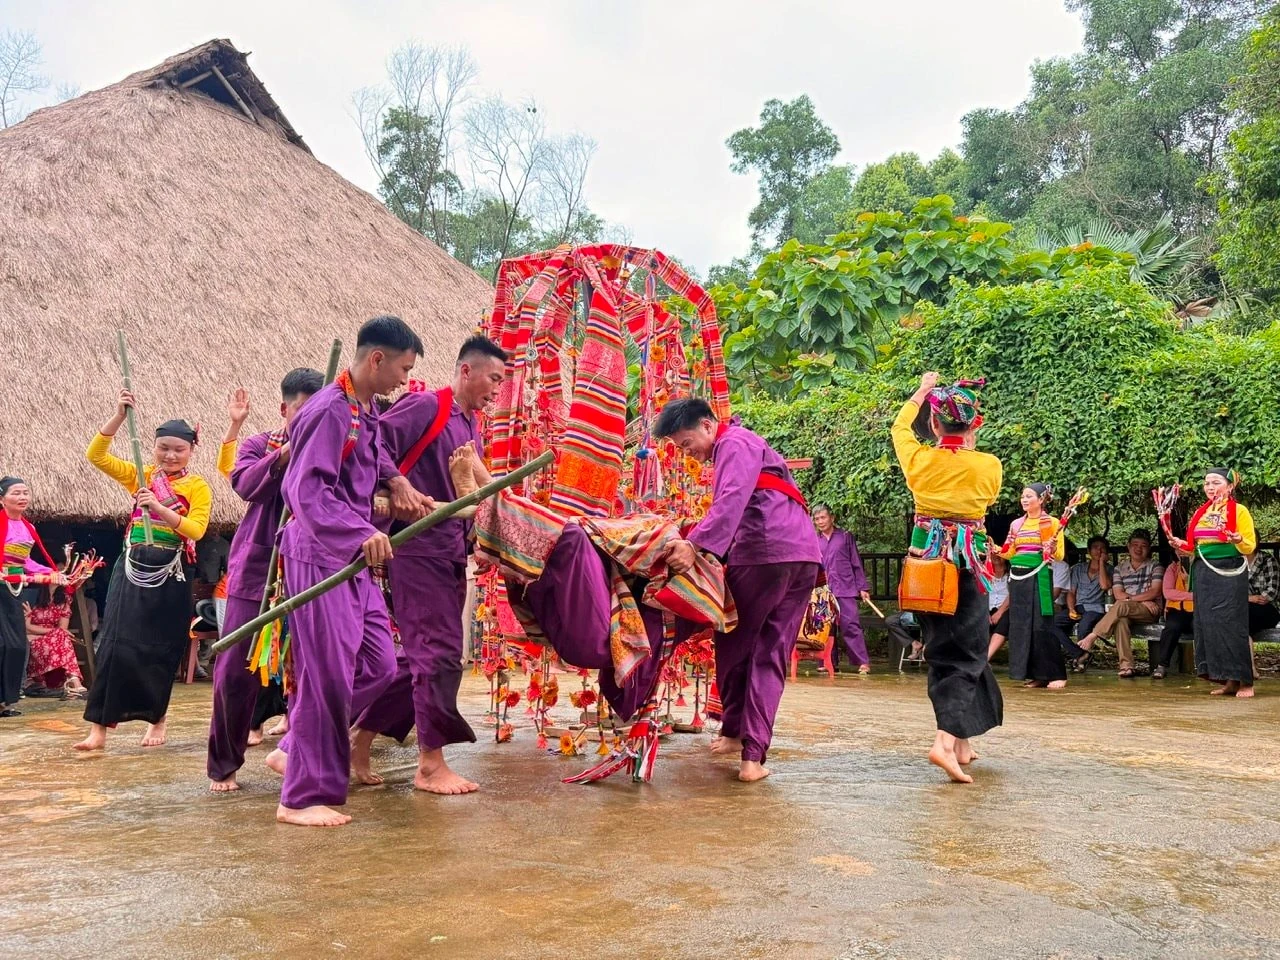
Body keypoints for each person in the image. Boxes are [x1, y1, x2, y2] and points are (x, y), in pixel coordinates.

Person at [266, 315, 430, 827]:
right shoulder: (329, 410)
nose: (405, 380)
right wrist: (360, 532)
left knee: (380, 664)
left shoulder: (365, 408)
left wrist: (397, 481)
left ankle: (296, 742)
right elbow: (304, 491)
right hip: (319, 554)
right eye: (403, 369)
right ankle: (300, 797)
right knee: (327, 677)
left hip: (352, 559)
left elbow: (373, 455)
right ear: (376, 359)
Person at [351, 334, 506, 794]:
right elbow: (370, 445)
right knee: (437, 656)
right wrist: (396, 481)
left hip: (449, 552)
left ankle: (359, 736)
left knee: (421, 658)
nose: (497, 388)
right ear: (466, 371)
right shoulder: (428, 408)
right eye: (493, 378)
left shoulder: (470, 425)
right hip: (417, 549)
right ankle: (430, 765)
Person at [654, 396, 821, 783]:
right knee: (769, 652)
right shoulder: (746, 446)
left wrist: (695, 546)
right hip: (801, 556)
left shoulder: (736, 442)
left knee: (735, 640)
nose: (688, 453)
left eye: (685, 442)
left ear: (709, 425)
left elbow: (731, 500)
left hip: (766, 552)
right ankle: (747, 752)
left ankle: (743, 744)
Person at [206, 370, 323, 793]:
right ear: (284, 409)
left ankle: (303, 756)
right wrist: (285, 457)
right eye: (301, 410)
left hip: (312, 573)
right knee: (234, 672)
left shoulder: (334, 451)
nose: (310, 419)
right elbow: (244, 484)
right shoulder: (261, 445)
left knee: (312, 670)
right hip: (257, 574)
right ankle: (224, 764)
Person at [75, 400, 211, 750]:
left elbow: (196, 530)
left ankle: (157, 718)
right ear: (152, 447)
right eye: (163, 448)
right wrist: (119, 415)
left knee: (161, 647)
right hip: (133, 566)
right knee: (115, 644)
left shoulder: (197, 486)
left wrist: (160, 508)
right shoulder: (141, 474)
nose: (170, 455)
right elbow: (97, 455)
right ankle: (99, 728)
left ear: (191, 450)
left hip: (173, 569)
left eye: (178, 449)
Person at [891, 373, 1003, 784]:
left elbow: (900, 426)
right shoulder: (988, 465)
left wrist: (921, 389)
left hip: (927, 567)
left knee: (945, 647)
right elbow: (986, 500)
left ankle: (962, 742)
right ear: (976, 424)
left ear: (934, 424)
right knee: (967, 653)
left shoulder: (919, 459)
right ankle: (944, 740)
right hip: (968, 564)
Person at [1170, 468, 1257, 698]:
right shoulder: (1201, 512)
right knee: (1208, 625)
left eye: (1216, 482)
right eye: (1207, 482)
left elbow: (1249, 545)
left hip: (1229, 570)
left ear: (1230, 486)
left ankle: (1245, 681)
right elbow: (1193, 546)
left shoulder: (1239, 511)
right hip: (1204, 573)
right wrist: (1181, 543)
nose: (1210, 487)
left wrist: (1238, 539)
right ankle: (1228, 680)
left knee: (1231, 625)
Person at [1, 476, 62, 716]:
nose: (22, 497)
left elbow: (26, 561)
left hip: (14, 588)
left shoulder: (28, 527)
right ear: (2, 499)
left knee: (16, 645)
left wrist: (52, 572)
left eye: (25, 492)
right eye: (16, 493)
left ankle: (7, 701)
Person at [1000, 484, 1068, 689]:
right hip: (1018, 579)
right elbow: (1009, 552)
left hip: (1039, 577)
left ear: (1041, 499)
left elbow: (1059, 556)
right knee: (1022, 627)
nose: (1024, 500)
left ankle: (1056, 674)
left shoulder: (1052, 523)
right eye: (1022, 496)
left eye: (1029, 496)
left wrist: (1053, 548)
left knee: (1041, 626)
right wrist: (992, 547)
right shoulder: (1016, 524)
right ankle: (1036, 675)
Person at [1076, 530, 1163, 678]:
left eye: (1143, 545)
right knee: (1121, 621)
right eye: (1135, 545)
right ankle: (1127, 667)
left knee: (1121, 605)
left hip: (1149, 611)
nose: (1138, 548)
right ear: (1128, 547)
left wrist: (1134, 600)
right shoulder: (1119, 568)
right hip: (1128, 610)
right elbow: (1118, 594)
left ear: (1149, 548)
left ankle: (1093, 635)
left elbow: (1154, 591)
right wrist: (1142, 599)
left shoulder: (1155, 566)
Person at [811, 504, 872, 674]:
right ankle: (827, 661)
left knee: (850, 624)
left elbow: (856, 563)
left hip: (845, 588)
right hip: (823, 590)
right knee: (825, 627)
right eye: (817, 519)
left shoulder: (845, 537)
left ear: (832, 518)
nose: (820, 522)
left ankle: (862, 662)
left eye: (823, 517)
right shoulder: (814, 540)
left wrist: (862, 587)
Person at [24, 584, 86, 699]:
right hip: (35, 638)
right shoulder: (32, 595)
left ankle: (72, 678)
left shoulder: (65, 598)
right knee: (62, 635)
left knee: (62, 635)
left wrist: (56, 632)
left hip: (55, 639)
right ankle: (73, 679)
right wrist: (54, 631)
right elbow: (27, 627)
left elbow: (63, 627)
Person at [1066, 536, 1112, 669]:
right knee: (1054, 624)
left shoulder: (1110, 570)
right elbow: (1071, 592)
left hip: (1096, 609)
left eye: (1102, 548)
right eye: (1095, 547)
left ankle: (1080, 660)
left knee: (1084, 624)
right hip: (1078, 607)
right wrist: (1070, 609)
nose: (1099, 550)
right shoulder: (1078, 569)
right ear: (1088, 551)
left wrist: (1102, 564)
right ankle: (1080, 653)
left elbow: (1104, 586)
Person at [1152, 555, 1193, 679]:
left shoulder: (1203, 566)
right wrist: (1192, 595)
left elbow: (1208, 591)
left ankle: (1208, 667)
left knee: (1204, 626)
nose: (1183, 552)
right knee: (1171, 627)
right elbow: (1168, 592)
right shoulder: (1173, 568)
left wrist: (1188, 581)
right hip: (1176, 610)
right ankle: (1161, 665)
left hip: (1200, 610)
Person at [1246, 549, 1280, 638]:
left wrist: (1244, 598)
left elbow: (1271, 593)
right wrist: (1249, 598)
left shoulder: (1267, 560)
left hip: (1268, 609)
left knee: (1245, 613)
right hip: (1242, 606)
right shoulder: (1235, 561)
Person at [985, 555, 1011, 660]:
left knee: (1005, 621)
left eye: (1000, 554)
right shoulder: (985, 573)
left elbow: (1013, 594)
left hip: (1005, 608)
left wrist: (1000, 612)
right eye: (993, 554)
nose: (996, 557)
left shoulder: (1011, 574)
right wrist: (984, 613)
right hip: (986, 608)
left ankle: (986, 658)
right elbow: (981, 593)